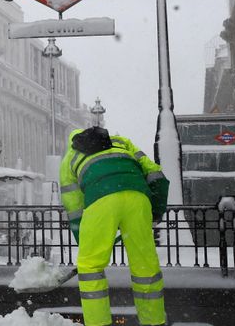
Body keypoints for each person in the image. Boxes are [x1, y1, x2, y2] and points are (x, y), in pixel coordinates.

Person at [59, 126, 169, 326]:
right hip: (138, 196)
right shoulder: (122, 142)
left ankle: (98, 323)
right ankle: (154, 321)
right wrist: (156, 209)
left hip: (101, 198)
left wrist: (84, 240)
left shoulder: (70, 157)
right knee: (145, 265)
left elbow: (74, 206)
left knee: (91, 266)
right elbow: (156, 173)